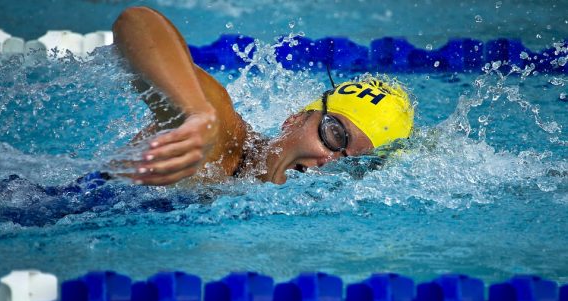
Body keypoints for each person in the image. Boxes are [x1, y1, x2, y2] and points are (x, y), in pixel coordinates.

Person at [112, 6, 414, 186]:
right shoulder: (221, 140)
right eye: (335, 135)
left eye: (354, 164)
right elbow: (137, 22)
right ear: (295, 118)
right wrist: (195, 112)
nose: (329, 162)